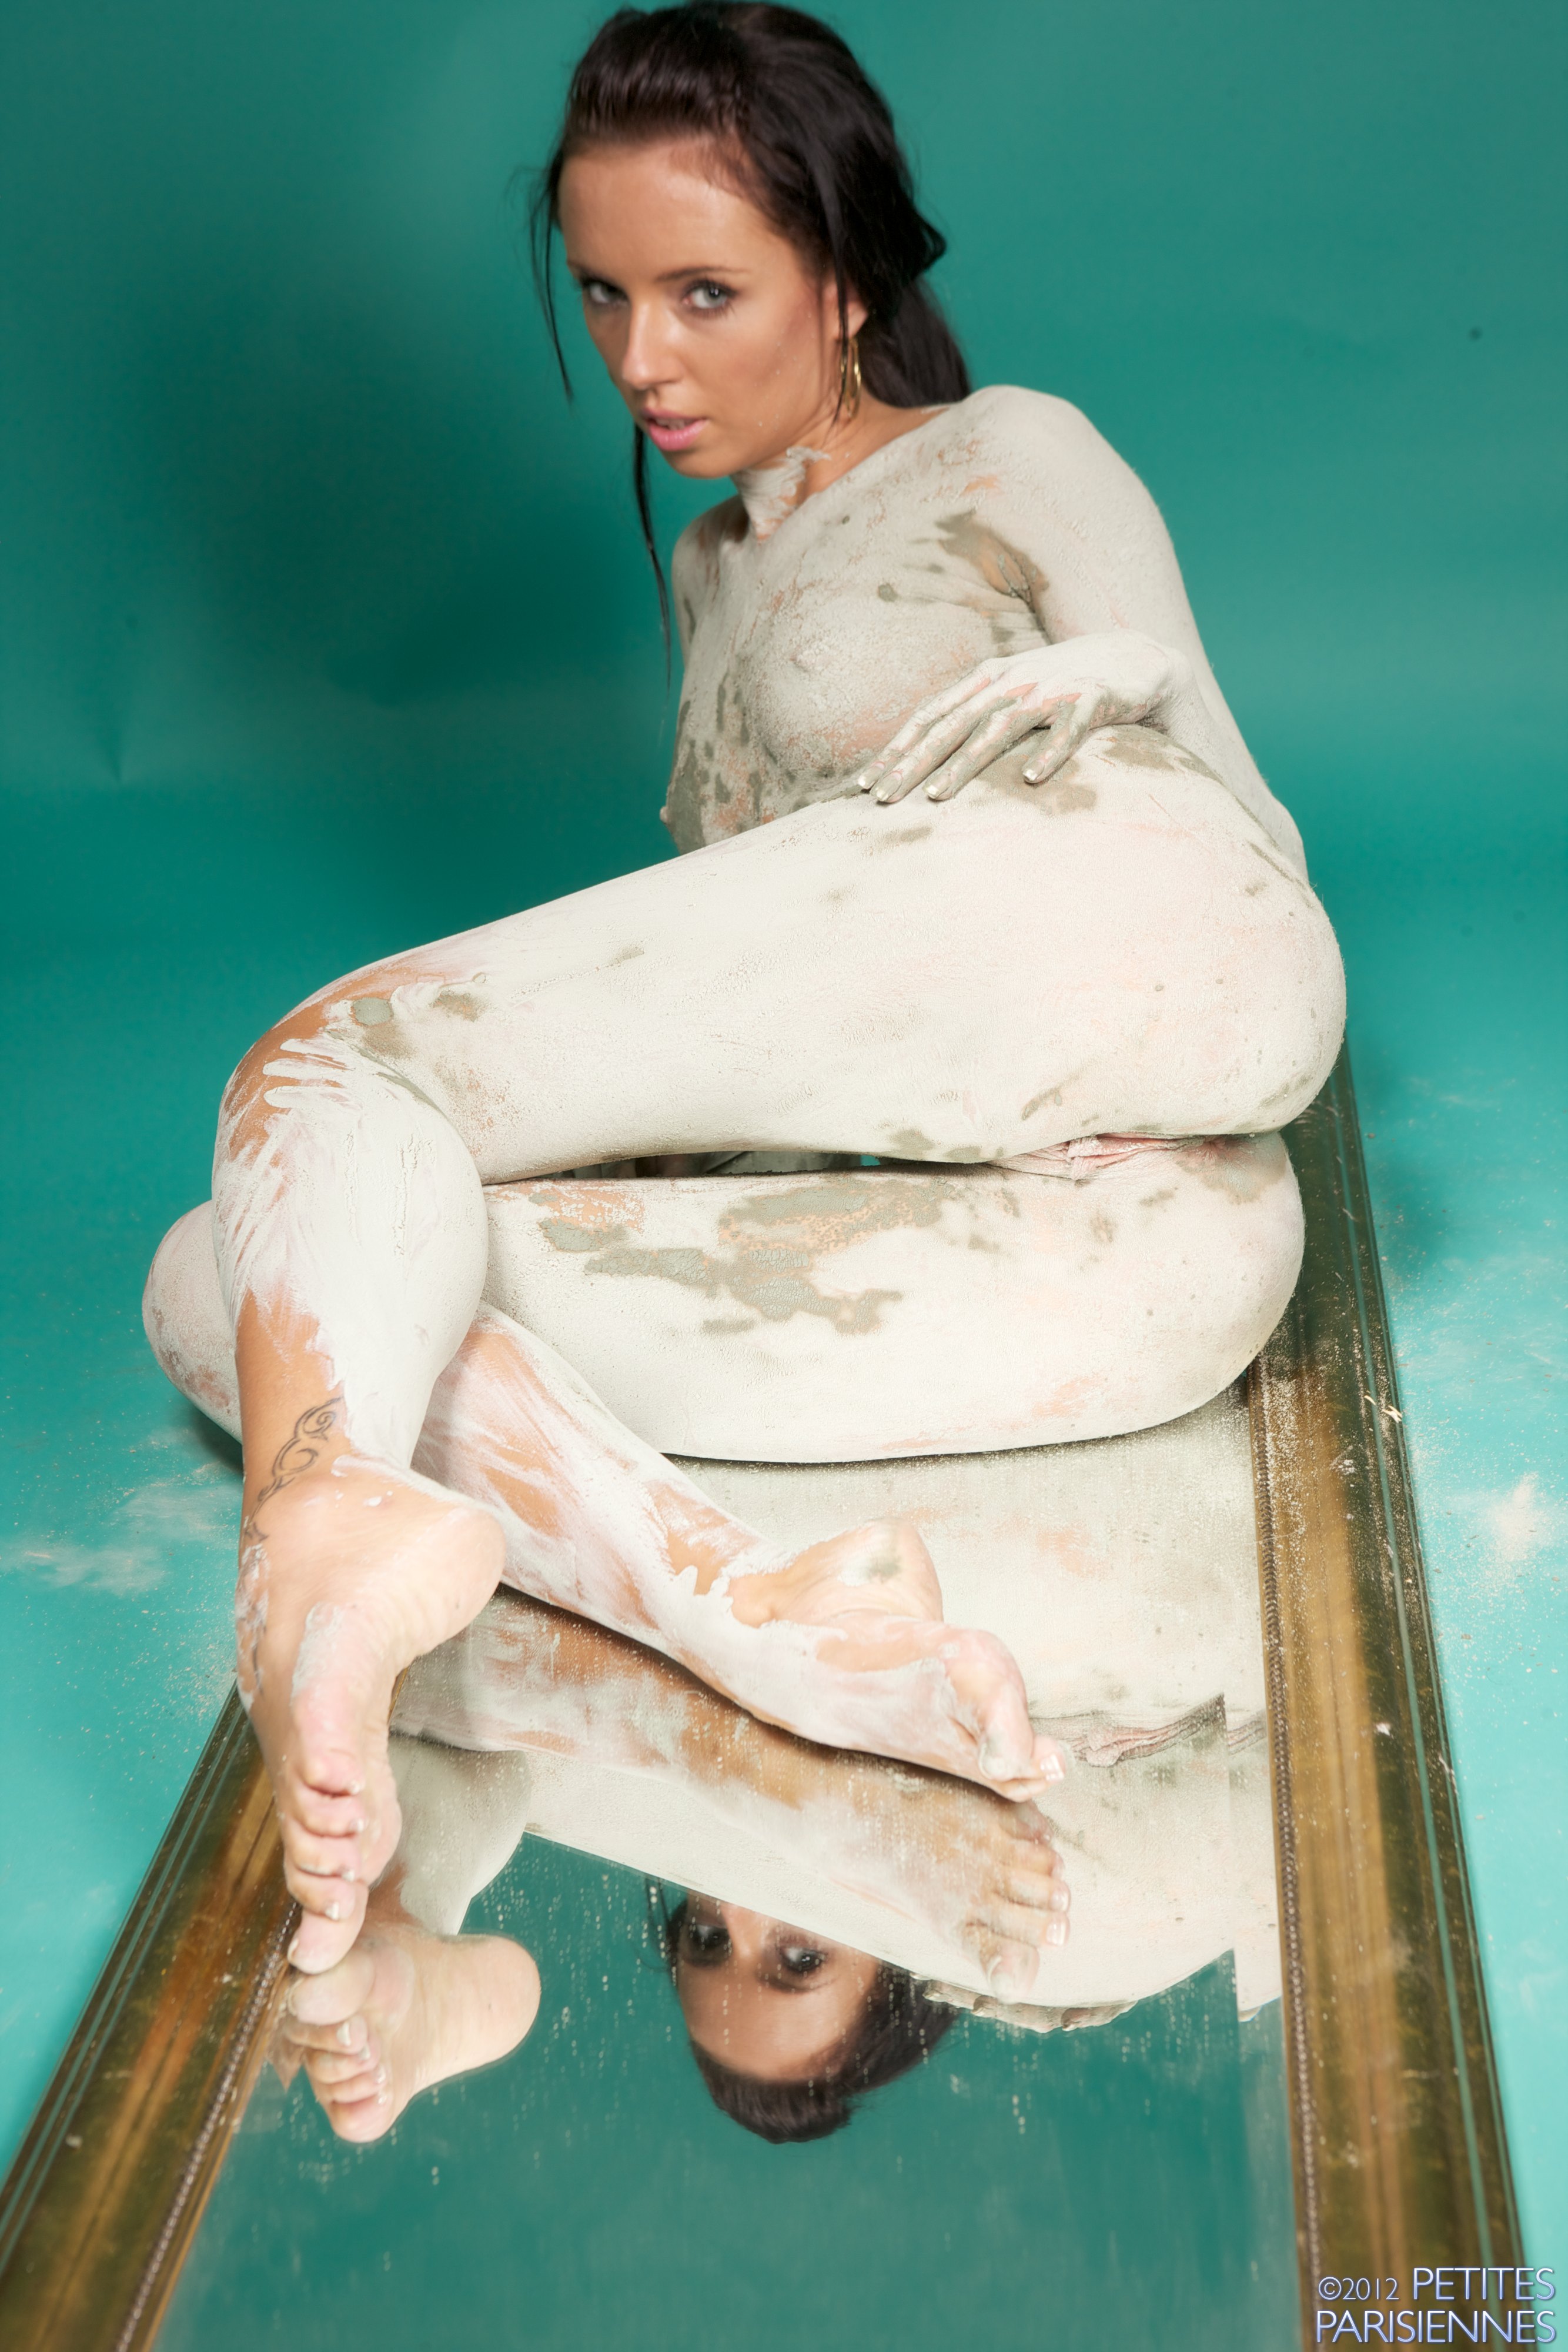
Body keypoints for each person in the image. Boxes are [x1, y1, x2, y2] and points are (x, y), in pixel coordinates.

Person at [142, 2, 1343, 1984]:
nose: (642, 359)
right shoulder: (706, 567)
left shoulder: (1010, 451)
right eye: (604, 294)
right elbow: (777, 1012)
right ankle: (749, 1620)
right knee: (235, 1277)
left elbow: (1264, 880)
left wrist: (1131, 680)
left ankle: (321, 1534)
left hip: (1140, 938)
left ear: (844, 276)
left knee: (326, 1069)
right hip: (1137, 1272)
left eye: (704, 293)